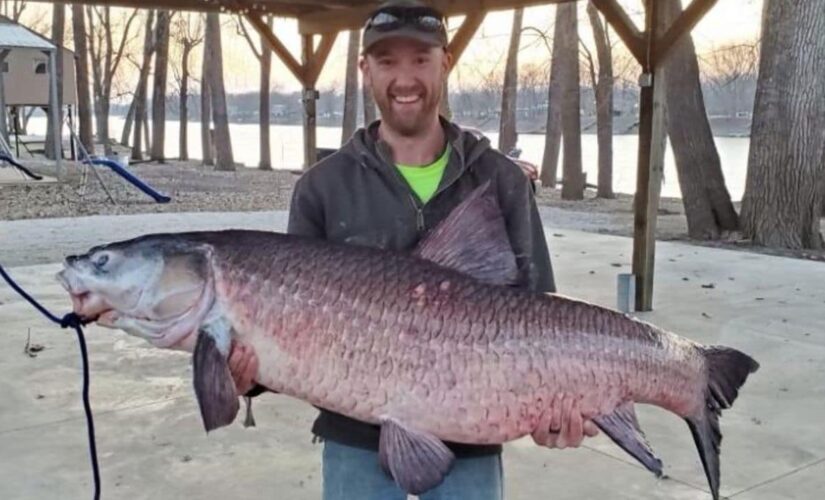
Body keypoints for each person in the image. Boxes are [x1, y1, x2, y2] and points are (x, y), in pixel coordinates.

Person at [228, 1, 597, 498]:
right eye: (387, 62)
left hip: (471, 439)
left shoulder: (500, 179)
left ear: (445, 63)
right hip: (355, 441)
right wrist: (247, 374)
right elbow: (290, 328)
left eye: (420, 59)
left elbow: (541, 313)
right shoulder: (321, 188)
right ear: (365, 70)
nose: (405, 78)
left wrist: (556, 403)